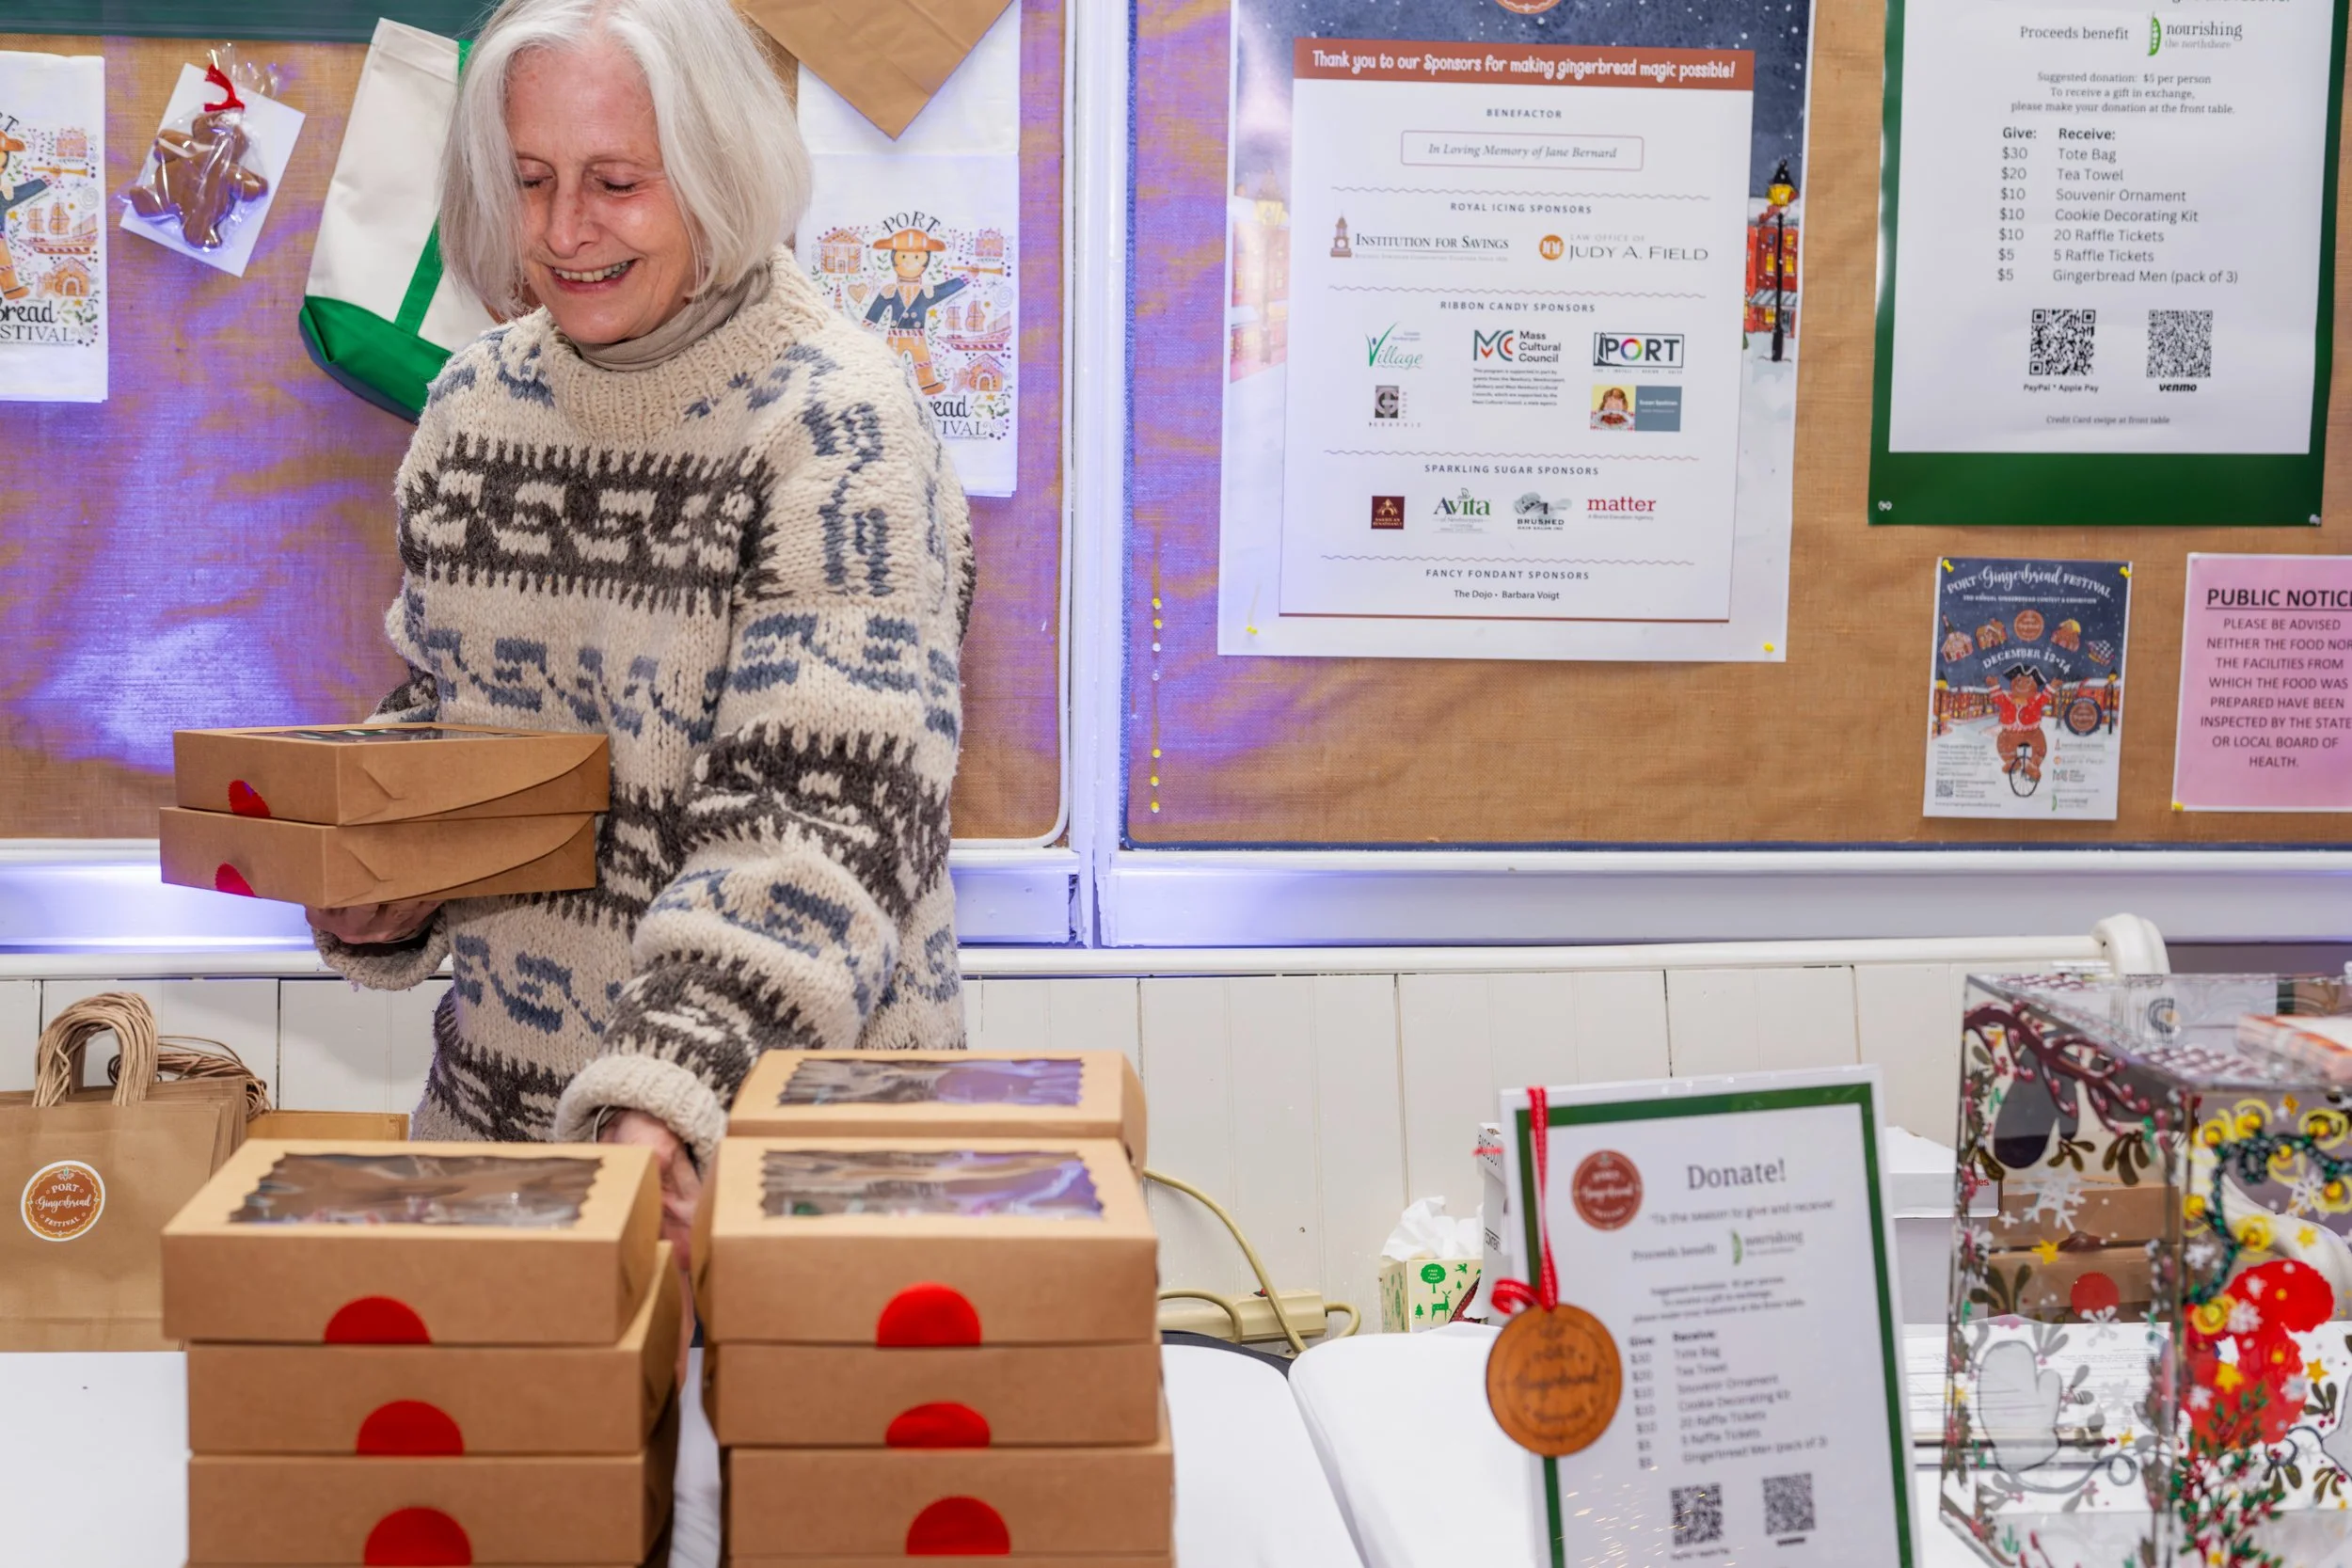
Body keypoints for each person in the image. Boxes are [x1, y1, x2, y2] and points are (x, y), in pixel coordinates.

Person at [306, 0, 975, 1297]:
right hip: (507, 1157)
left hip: (781, 1167)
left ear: (722, 169)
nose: (564, 231)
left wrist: (666, 1091)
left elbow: (818, 824)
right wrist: (383, 864)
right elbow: (460, 707)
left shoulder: (839, 424)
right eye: (531, 180)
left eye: (615, 183)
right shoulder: (471, 404)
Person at [1992, 666, 2056, 782]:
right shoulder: (2008, 699)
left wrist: (2052, 687)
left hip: (2032, 732)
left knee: (2039, 746)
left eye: (2028, 682)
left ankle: (2033, 766)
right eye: (2019, 680)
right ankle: (2011, 761)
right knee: (2003, 743)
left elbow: (2044, 698)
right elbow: (1999, 698)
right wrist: (1994, 685)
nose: (2022, 685)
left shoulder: (2035, 701)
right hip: (2010, 733)